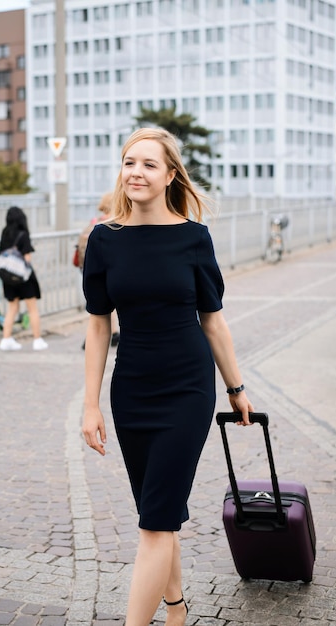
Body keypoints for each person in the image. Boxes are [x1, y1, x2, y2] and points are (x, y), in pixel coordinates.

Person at [82, 128, 253, 626]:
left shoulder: (193, 238)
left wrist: (236, 389)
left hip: (187, 391)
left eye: (148, 164)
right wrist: (90, 404)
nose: (135, 171)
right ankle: (176, 609)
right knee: (158, 512)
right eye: (128, 162)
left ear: (171, 175)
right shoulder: (103, 240)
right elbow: (97, 326)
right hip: (131, 390)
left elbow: (213, 321)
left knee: (156, 520)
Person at [0, 206, 48, 351]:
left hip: (8, 277)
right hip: (24, 277)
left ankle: (6, 339)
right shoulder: (23, 234)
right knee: (32, 309)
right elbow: (27, 258)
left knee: (12, 308)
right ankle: (37, 340)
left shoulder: (4, 233)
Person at [77, 192, 120, 349]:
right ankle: (106, 335)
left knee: (97, 306)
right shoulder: (112, 225)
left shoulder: (94, 222)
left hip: (88, 268)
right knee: (105, 306)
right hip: (108, 268)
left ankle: (112, 333)